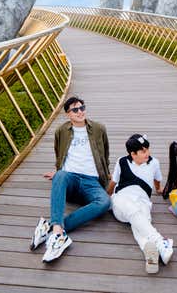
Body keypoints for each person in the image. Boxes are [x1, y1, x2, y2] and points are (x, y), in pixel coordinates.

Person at [30, 96, 111, 262]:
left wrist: (108, 176)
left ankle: (52, 227)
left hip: (92, 181)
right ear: (68, 114)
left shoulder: (98, 129)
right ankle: (59, 235)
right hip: (71, 178)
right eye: (75, 109)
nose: (80, 112)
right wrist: (59, 172)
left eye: (82, 108)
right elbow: (59, 153)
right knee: (60, 175)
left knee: (104, 202)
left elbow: (105, 153)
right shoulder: (61, 131)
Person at [108, 134, 174, 274]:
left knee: (140, 220)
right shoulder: (122, 162)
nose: (147, 153)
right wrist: (106, 196)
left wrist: (158, 189)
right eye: (143, 151)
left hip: (143, 201)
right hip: (121, 199)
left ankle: (150, 254)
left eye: (148, 149)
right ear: (133, 154)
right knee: (133, 211)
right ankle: (161, 241)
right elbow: (114, 182)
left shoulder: (154, 162)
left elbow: (157, 179)